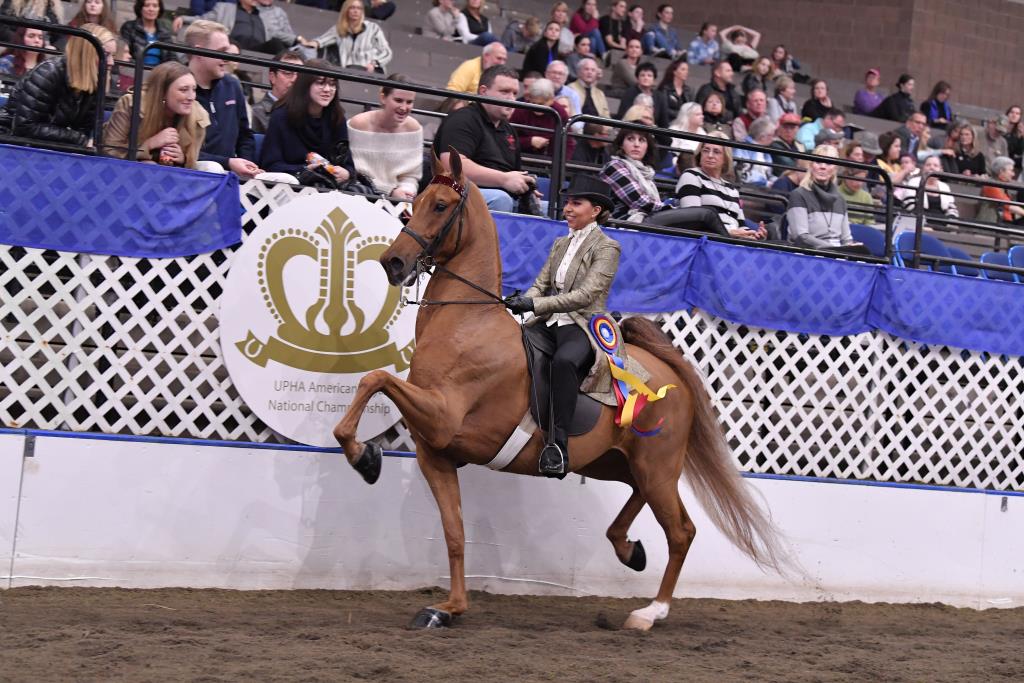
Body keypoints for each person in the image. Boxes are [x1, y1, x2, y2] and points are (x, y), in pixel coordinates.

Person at [504, 175, 620, 478]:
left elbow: (586, 296)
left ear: (595, 211)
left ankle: (557, 446)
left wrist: (536, 305)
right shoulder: (560, 243)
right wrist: (520, 302)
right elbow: (541, 284)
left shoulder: (608, 248)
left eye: (575, 203)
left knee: (564, 361)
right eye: (567, 202)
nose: (567, 208)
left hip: (581, 325)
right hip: (549, 321)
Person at [433, 65, 532, 213]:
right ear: (483, 91)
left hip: (502, 193)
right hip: (454, 190)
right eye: (504, 91)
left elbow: (513, 173)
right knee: (500, 199)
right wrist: (504, 179)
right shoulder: (463, 118)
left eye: (515, 93)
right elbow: (452, 167)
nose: (511, 98)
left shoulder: (509, 130)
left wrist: (525, 186)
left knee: (546, 207)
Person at [3, 23, 115, 146]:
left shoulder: (95, 83)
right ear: (87, 53)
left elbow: (84, 131)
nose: (111, 62)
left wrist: (78, 139)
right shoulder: (49, 73)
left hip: (52, 147)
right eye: (106, 55)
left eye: (113, 56)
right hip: (11, 142)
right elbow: (25, 128)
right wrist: (75, 137)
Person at [258, 59, 355, 183]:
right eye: (320, 83)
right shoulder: (281, 116)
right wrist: (304, 170)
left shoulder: (337, 118)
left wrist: (346, 173)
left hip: (329, 190)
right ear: (305, 85)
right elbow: (270, 164)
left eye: (332, 84)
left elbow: (348, 165)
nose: (327, 89)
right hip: (291, 187)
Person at [185, 20, 261, 177]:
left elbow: (245, 136)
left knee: (284, 179)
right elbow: (179, 149)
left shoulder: (232, 85)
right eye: (222, 51)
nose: (227, 58)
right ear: (200, 52)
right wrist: (228, 163)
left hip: (232, 173)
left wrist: (246, 164)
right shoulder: (177, 87)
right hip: (190, 171)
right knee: (213, 168)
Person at [103, 60, 209, 167]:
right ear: (162, 92)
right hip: (127, 170)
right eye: (183, 90)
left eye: (194, 90)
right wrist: (149, 145)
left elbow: (192, 164)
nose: (191, 97)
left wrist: (183, 159)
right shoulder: (132, 104)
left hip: (174, 177)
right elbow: (109, 151)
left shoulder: (198, 116)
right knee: (149, 166)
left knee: (212, 168)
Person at [676, 134, 767, 239]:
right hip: (707, 241)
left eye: (716, 152)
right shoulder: (691, 176)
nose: (710, 155)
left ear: (725, 158)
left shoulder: (732, 189)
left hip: (732, 242)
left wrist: (754, 235)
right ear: (700, 154)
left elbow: (741, 225)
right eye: (705, 150)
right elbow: (691, 220)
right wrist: (729, 233)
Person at [347, 75, 422, 199]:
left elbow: (410, 176)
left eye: (409, 102)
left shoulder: (413, 128)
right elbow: (351, 171)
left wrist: (406, 191)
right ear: (383, 98)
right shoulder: (358, 124)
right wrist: (389, 191)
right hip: (358, 193)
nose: (404, 107)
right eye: (398, 100)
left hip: (396, 199)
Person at [786, 145, 862, 251]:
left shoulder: (840, 200)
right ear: (811, 166)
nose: (823, 167)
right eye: (818, 162)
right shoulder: (799, 195)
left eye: (828, 163)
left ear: (835, 169)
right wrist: (832, 249)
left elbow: (846, 239)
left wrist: (852, 247)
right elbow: (800, 236)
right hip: (809, 254)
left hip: (837, 254)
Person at [598, 127, 668, 222]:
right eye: (631, 139)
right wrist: (668, 208)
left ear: (647, 147)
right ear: (621, 145)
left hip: (641, 221)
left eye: (641, 140)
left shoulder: (646, 172)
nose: (636, 144)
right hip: (618, 225)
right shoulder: (614, 166)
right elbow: (640, 201)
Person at [195, 0, 305, 55]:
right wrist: (183, 18)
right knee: (227, 40)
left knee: (276, 43)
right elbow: (204, 19)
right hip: (234, 44)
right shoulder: (225, 8)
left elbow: (276, 33)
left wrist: (296, 39)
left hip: (259, 47)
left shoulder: (265, 13)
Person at [307, 0, 391, 72]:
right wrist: (311, 43)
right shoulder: (339, 29)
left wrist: (374, 63)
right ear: (346, 10)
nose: (356, 11)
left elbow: (386, 52)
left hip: (371, 71)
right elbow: (322, 41)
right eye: (352, 8)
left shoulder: (373, 28)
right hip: (348, 71)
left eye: (359, 8)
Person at [511, 77, 572, 158]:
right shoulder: (521, 110)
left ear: (551, 99)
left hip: (551, 161)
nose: (536, 108)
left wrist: (560, 165)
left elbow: (568, 142)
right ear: (529, 98)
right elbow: (508, 139)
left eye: (541, 104)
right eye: (533, 103)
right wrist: (529, 141)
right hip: (522, 157)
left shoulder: (559, 112)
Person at [252, 50, 304, 133]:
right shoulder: (255, 113)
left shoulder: (307, 114)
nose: (295, 79)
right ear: (272, 77)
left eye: (300, 75)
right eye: (288, 73)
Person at [120, 0, 174, 66]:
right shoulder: (129, 27)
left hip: (159, 73)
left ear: (159, 9)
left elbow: (172, 57)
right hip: (134, 70)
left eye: (155, 6)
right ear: (140, 8)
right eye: (147, 5)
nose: (151, 9)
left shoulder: (165, 32)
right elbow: (123, 53)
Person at [614, 61, 667, 127]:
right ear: (637, 78)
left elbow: (664, 123)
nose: (646, 78)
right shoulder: (629, 93)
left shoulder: (659, 96)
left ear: (654, 80)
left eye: (649, 76)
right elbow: (623, 116)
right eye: (642, 75)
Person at [979, 157, 1024, 225]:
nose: (1013, 174)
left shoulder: (1003, 185)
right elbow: (1010, 206)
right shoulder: (991, 185)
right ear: (1001, 171)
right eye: (1011, 171)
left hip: (1004, 222)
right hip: (992, 224)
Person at [733, 116, 776, 187]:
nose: (773, 139)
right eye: (772, 135)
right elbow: (741, 174)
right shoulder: (743, 148)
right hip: (747, 190)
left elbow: (769, 175)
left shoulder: (766, 152)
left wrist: (777, 181)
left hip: (765, 190)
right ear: (762, 136)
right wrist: (764, 183)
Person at [668, 101, 703, 171]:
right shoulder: (674, 130)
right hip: (677, 166)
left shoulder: (703, 133)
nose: (702, 117)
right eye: (698, 114)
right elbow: (672, 153)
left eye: (702, 114)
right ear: (688, 116)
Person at [656, 57, 691, 123]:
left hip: (683, 123)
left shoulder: (687, 90)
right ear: (674, 72)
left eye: (687, 70)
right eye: (683, 69)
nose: (686, 72)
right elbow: (664, 109)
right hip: (668, 122)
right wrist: (680, 115)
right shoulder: (665, 88)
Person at [1005, 105, 1023, 174]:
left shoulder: (1018, 132)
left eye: (1017, 113)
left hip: (1009, 160)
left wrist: (1022, 137)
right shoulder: (1001, 128)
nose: (1014, 115)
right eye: (1012, 112)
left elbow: (1019, 152)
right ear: (1007, 114)